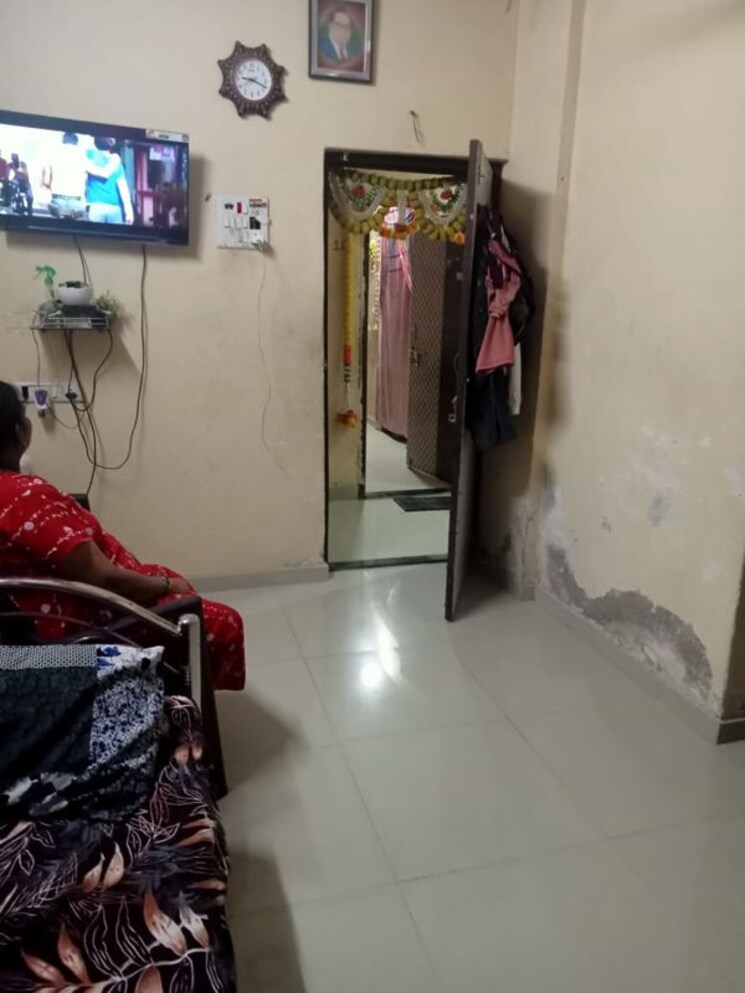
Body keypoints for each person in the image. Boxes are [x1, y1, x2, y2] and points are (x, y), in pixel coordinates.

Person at [0, 382, 245, 690]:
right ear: (18, 430)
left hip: (51, 614)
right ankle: (190, 696)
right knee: (224, 622)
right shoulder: (22, 496)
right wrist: (165, 586)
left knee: (177, 587)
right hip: (89, 624)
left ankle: (181, 674)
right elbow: (106, 581)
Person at [86, 136, 134, 225]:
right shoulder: (117, 163)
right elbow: (123, 189)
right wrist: (129, 212)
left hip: (96, 207)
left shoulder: (90, 155)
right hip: (115, 208)